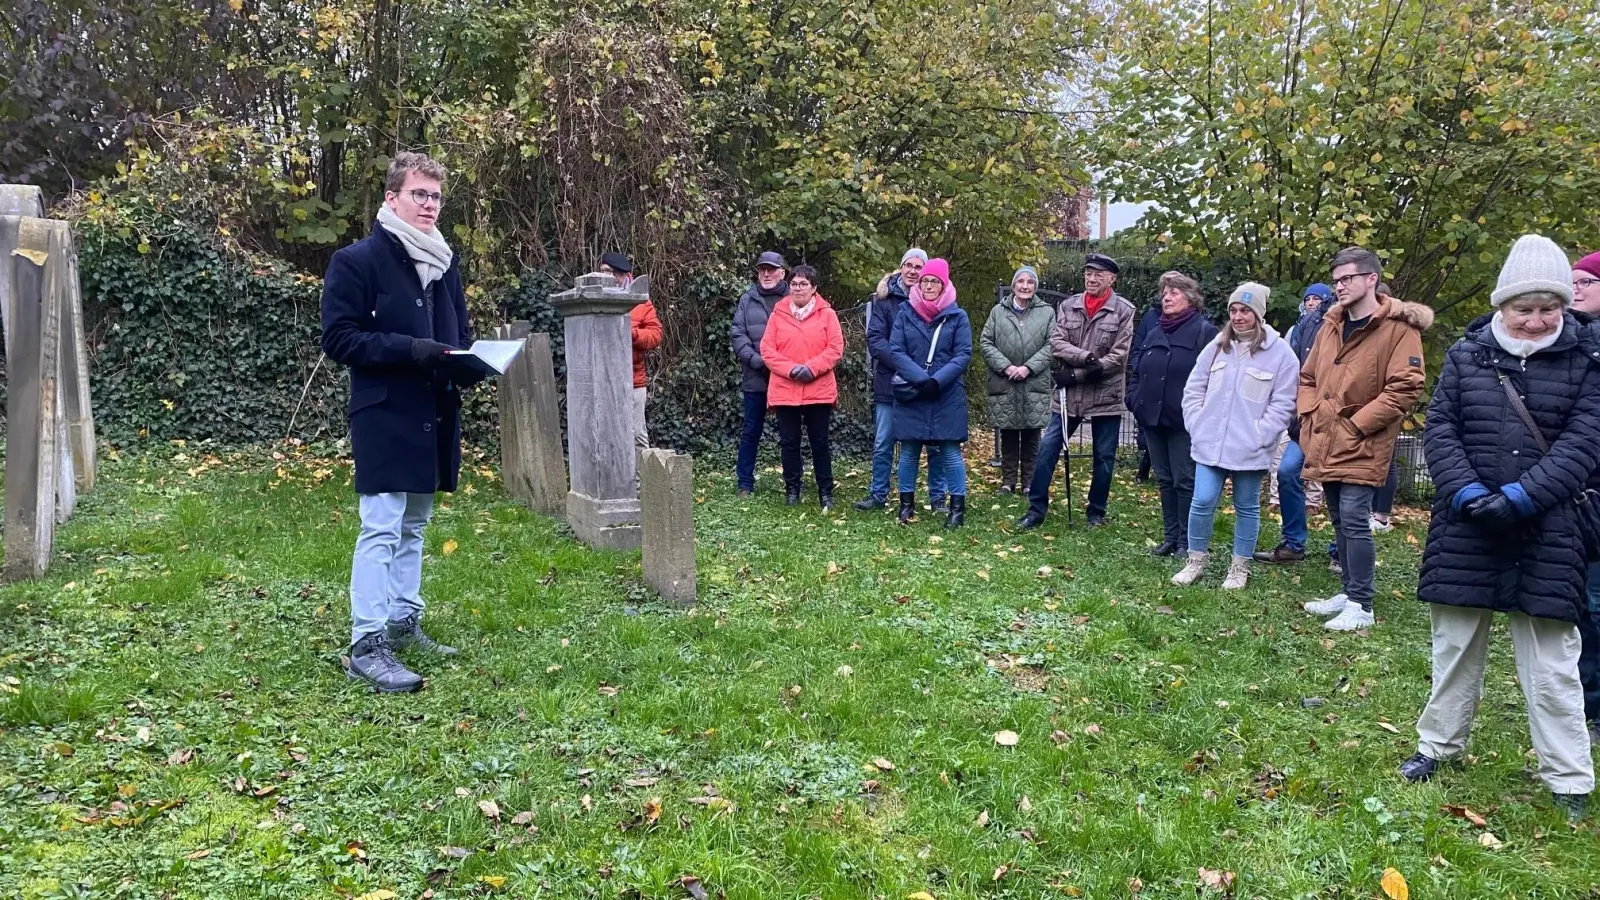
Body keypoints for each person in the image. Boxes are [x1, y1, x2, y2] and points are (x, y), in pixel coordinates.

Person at [1401, 234, 1600, 821]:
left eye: (1549, 308)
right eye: (1525, 308)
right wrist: (1464, 490)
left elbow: (1585, 443)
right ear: (1503, 305)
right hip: (1467, 523)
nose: (1537, 320)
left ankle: (1568, 776)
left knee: (1552, 658)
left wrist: (1521, 496)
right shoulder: (1469, 354)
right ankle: (1438, 744)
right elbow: (1441, 429)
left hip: (1549, 525)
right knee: (1455, 645)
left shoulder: (1589, 359)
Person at [321, 152, 483, 693]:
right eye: (419, 194)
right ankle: (366, 642)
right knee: (382, 526)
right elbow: (339, 339)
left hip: (434, 413)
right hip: (386, 413)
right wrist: (412, 349)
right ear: (392, 198)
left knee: (413, 526)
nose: (430, 205)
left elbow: (455, 336)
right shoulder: (357, 261)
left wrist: (472, 365)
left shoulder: (445, 262)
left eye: (436, 196)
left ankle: (403, 619)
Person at [1297, 248, 1431, 631]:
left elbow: (1406, 387)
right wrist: (1309, 415)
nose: (1339, 286)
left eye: (1348, 279)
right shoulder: (1330, 325)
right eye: (1336, 280)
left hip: (1363, 440)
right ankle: (1348, 590)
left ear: (1371, 279)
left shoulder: (1398, 328)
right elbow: (1307, 377)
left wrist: (1357, 425)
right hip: (1325, 435)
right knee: (1338, 516)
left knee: (1355, 518)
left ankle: (1362, 605)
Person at [1170, 283, 1299, 589]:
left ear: (1258, 314)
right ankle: (1196, 561)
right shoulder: (1217, 346)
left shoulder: (1281, 354)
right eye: (1233, 311)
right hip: (1210, 442)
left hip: (1250, 448)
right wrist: (1196, 423)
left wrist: (1261, 434)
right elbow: (1194, 388)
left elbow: (1283, 403)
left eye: (1245, 311)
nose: (1238, 317)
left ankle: (1239, 567)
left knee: (1247, 506)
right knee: (1201, 501)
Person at [1017, 253, 1135, 529]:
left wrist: (1077, 372)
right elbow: (1057, 342)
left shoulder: (1125, 310)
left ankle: (1096, 512)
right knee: (1048, 448)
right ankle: (1036, 509)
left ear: (1111, 279)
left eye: (1098, 274)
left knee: (1104, 456)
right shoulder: (1069, 305)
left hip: (1105, 392)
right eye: (1088, 273)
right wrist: (1087, 359)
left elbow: (1119, 356)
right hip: (1069, 394)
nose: (1091, 279)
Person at [1127, 271, 1217, 556]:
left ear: (1190, 298)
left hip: (1185, 424)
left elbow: (1216, 380)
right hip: (1153, 421)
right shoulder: (1155, 331)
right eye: (1164, 293)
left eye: (1174, 293)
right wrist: (1135, 400)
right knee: (1165, 480)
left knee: (1184, 481)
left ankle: (1187, 542)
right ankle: (1170, 537)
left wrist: (1201, 414)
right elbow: (1136, 369)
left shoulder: (1206, 333)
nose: (1166, 297)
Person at [857, 249, 944, 510]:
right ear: (901, 267)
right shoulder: (884, 301)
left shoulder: (933, 301)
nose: (913, 271)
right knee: (884, 441)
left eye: (919, 267)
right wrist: (905, 366)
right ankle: (878, 494)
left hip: (925, 384)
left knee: (934, 442)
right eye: (909, 265)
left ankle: (937, 497)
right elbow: (875, 340)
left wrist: (922, 374)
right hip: (889, 382)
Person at [888, 258, 973, 528]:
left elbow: (963, 355)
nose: (928, 286)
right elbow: (896, 350)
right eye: (925, 280)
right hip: (913, 391)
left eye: (934, 281)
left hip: (945, 394)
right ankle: (906, 506)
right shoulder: (905, 313)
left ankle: (956, 510)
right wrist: (920, 378)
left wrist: (937, 381)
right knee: (909, 451)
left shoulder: (958, 317)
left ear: (944, 283)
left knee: (950, 451)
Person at [758, 265, 844, 510]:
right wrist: (792, 369)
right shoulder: (778, 314)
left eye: (803, 284)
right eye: (794, 283)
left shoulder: (827, 314)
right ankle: (792, 489)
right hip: (785, 389)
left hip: (818, 388)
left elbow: (835, 348)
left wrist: (812, 368)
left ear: (814, 288)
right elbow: (767, 350)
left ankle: (825, 491)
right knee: (789, 443)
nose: (798, 288)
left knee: (820, 442)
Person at [978, 265, 1055, 493]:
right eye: (1020, 281)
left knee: (1032, 435)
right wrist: (1007, 367)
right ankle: (1008, 481)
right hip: (1005, 381)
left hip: (1034, 382)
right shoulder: (997, 312)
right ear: (1013, 286)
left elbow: (1052, 344)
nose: (1025, 286)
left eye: (1030, 282)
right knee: (1008, 432)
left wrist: (1029, 367)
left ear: (1035, 287)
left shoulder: (1047, 312)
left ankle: (1029, 482)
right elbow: (986, 342)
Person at [730, 252, 788, 496]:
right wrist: (756, 360)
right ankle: (744, 483)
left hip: (786, 377)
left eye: (771, 269)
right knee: (751, 430)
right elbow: (737, 334)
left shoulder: (792, 297)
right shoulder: (747, 299)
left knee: (789, 433)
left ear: (782, 273)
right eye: (762, 269)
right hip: (755, 376)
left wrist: (782, 364)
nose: (766, 274)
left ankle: (792, 484)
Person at [1573, 251, 1600, 743]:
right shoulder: (1570, 343)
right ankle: (1582, 699)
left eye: (1585, 281)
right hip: (1574, 492)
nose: (1574, 288)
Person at [599, 251, 661, 448]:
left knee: (637, 436)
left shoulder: (641, 301)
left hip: (633, 380)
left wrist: (633, 334)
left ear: (623, 276)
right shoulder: (594, 296)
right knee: (606, 435)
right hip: (602, 380)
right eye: (602, 271)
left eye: (609, 273)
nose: (605, 277)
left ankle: (641, 479)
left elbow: (655, 335)